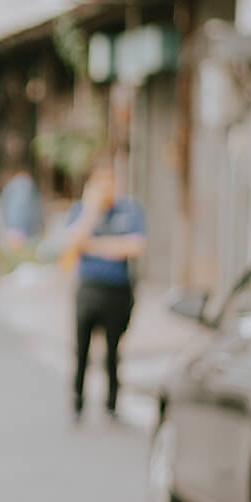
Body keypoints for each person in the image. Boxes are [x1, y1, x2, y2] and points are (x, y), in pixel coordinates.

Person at [63, 153, 147, 419]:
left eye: (110, 181)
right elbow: (71, 247)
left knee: (113, 351)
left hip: (117, 290)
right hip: (88, 289)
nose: (106, 187)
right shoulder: (81, 211)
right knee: (82, 349)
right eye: (101, 182)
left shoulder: (130, 210)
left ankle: (112, 403)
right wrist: (90, 211)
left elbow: (134, 247)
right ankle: (78, 398)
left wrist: (95, 246)